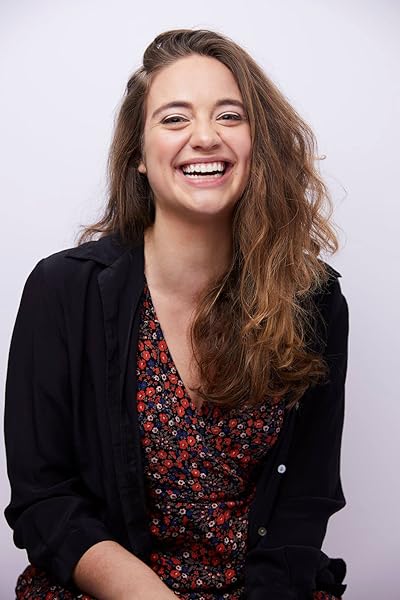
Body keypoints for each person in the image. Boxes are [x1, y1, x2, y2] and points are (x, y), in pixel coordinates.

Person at [4, 28, 349, 600]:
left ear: (257, 143)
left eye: (230, 116)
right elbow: (45, 501)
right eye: (174, 118)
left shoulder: (313, 297)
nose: (205, 137)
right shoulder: (62, 290)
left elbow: (305, 499)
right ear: (139, 155)